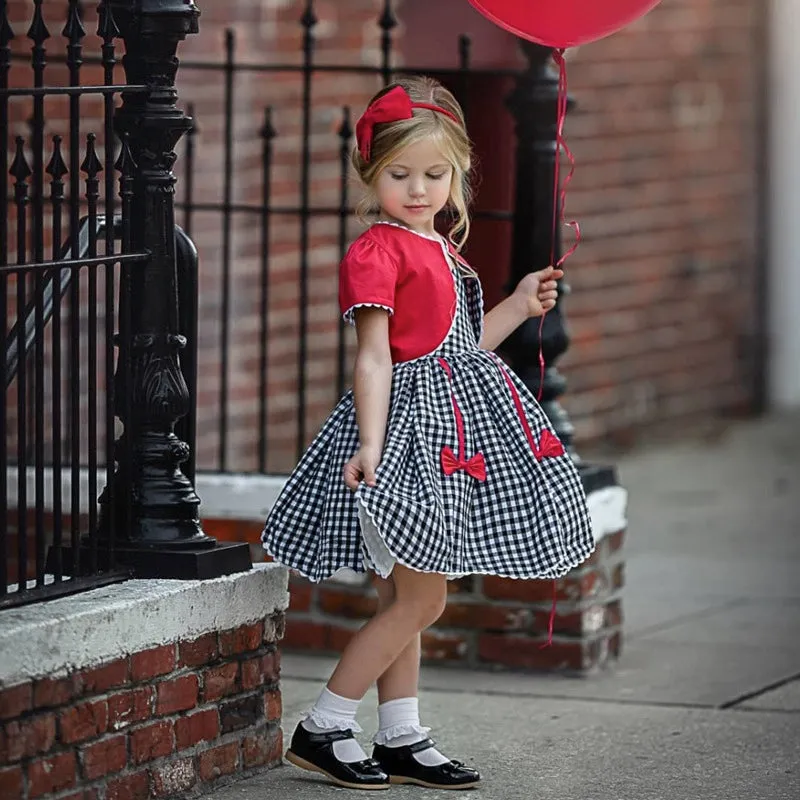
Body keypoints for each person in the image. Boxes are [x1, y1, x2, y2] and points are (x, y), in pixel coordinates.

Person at [262, 75, 594, 791]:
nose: (418, 189)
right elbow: (375, 356)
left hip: (450, 434)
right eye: (399, 174)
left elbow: (465, 344)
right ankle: (323, 726)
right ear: (370, 174)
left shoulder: (438, 246)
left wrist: (517, 302)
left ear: (458, 176)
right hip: (408, 437)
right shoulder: (377, 251)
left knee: (409, 594)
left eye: (435, 174)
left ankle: (401, 734)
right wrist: (373, 444)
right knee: (423, 598)